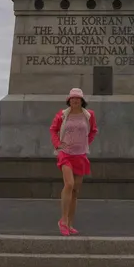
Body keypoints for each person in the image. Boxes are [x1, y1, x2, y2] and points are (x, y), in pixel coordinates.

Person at [49, 87, 98, 235]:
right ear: (68, 100)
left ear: (82, 101)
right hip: (65, 153)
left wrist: (86, 142)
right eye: (72, 98)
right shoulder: (62, 115)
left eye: (77, 98)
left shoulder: (89, 115)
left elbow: (93, 130)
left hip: (80, 155)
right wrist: (58, 144)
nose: (75, 100)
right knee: (69, 184)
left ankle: (70, 224)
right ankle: (63, 220)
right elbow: (53, 129)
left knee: (75, 191)